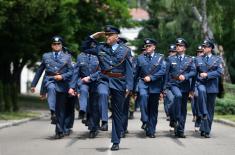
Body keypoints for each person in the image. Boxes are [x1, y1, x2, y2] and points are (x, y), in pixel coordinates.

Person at [81, 25, 133, 151]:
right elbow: (84, 48)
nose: (107, 37)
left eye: (110, 35)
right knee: (102, 93)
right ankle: (104, 121)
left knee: (117, 113)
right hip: (103, 79)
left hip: (119, 81)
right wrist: (93, 36)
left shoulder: (125, 50)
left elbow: (129, 70)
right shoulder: (100, 47)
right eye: (106, 35)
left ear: (116, 36)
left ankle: (116, 141)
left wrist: (129, 87)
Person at [31, 35, 73, 139]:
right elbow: (40, 71)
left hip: (62, 84)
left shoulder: (67, 57)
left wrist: (62, 76)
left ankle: (59, 130)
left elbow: (71, 72)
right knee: (51, 88)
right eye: (54, 44)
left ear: (61, 45)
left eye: (58, 44)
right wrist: (33, 85)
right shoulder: (46, 56)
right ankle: (52, 112)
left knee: (62, 109)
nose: (56, 46)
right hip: (50, 80)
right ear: (51, 45)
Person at [134, 38, 166, 138]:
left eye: (149, 46)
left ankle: (151, 130)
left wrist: (151, 77)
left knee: (153, 109)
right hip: (143, 84)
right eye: (146, 46)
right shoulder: (140, 58)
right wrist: (133, 88)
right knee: (143, 97)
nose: (147, 48)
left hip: (155, 86)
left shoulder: (160, 57)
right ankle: (144, 119)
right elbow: (136, 74)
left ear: (154, 47)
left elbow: (162, 71)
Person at [165, 38, 196, 138]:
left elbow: (194, 72)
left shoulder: (190, 59)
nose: (178, 47)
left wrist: (186, 76)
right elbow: (166, 73)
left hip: (185, 86)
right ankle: (175, 117)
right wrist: (164, 87)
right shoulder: (171, 59)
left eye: (180, 46)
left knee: (183, 109)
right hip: (174, 84)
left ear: (185, 48)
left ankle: (180, 130)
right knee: (177, 96)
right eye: (177, 45)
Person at [195, 39, 223, 138]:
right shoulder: (198, 59)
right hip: (201, 85)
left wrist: (207, 74)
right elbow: (195, 73)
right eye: (203, 46)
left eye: (205, 47)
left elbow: (219, 72)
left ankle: (206, 130)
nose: (203, 48)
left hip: (212, 87)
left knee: (210, 110)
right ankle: (204, 126)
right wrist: (199, 78)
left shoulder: (217, 59)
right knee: (203, 108)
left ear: (210, 48)